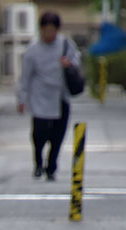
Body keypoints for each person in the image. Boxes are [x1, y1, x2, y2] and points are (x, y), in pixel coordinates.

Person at [16, 12, 81, 181]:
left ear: (57, 30)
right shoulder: (33, 49)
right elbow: (25, 76)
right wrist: (22, 99)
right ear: (41, 30)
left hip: (61, 96)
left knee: (58, 135)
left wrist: (69, 64)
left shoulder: (66, 44)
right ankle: (38, 162)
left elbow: (76, 63)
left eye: (52, 30)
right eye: (46, 30)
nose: (49, 34)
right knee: (39, 134)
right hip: (40, 96)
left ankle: (51, 167)